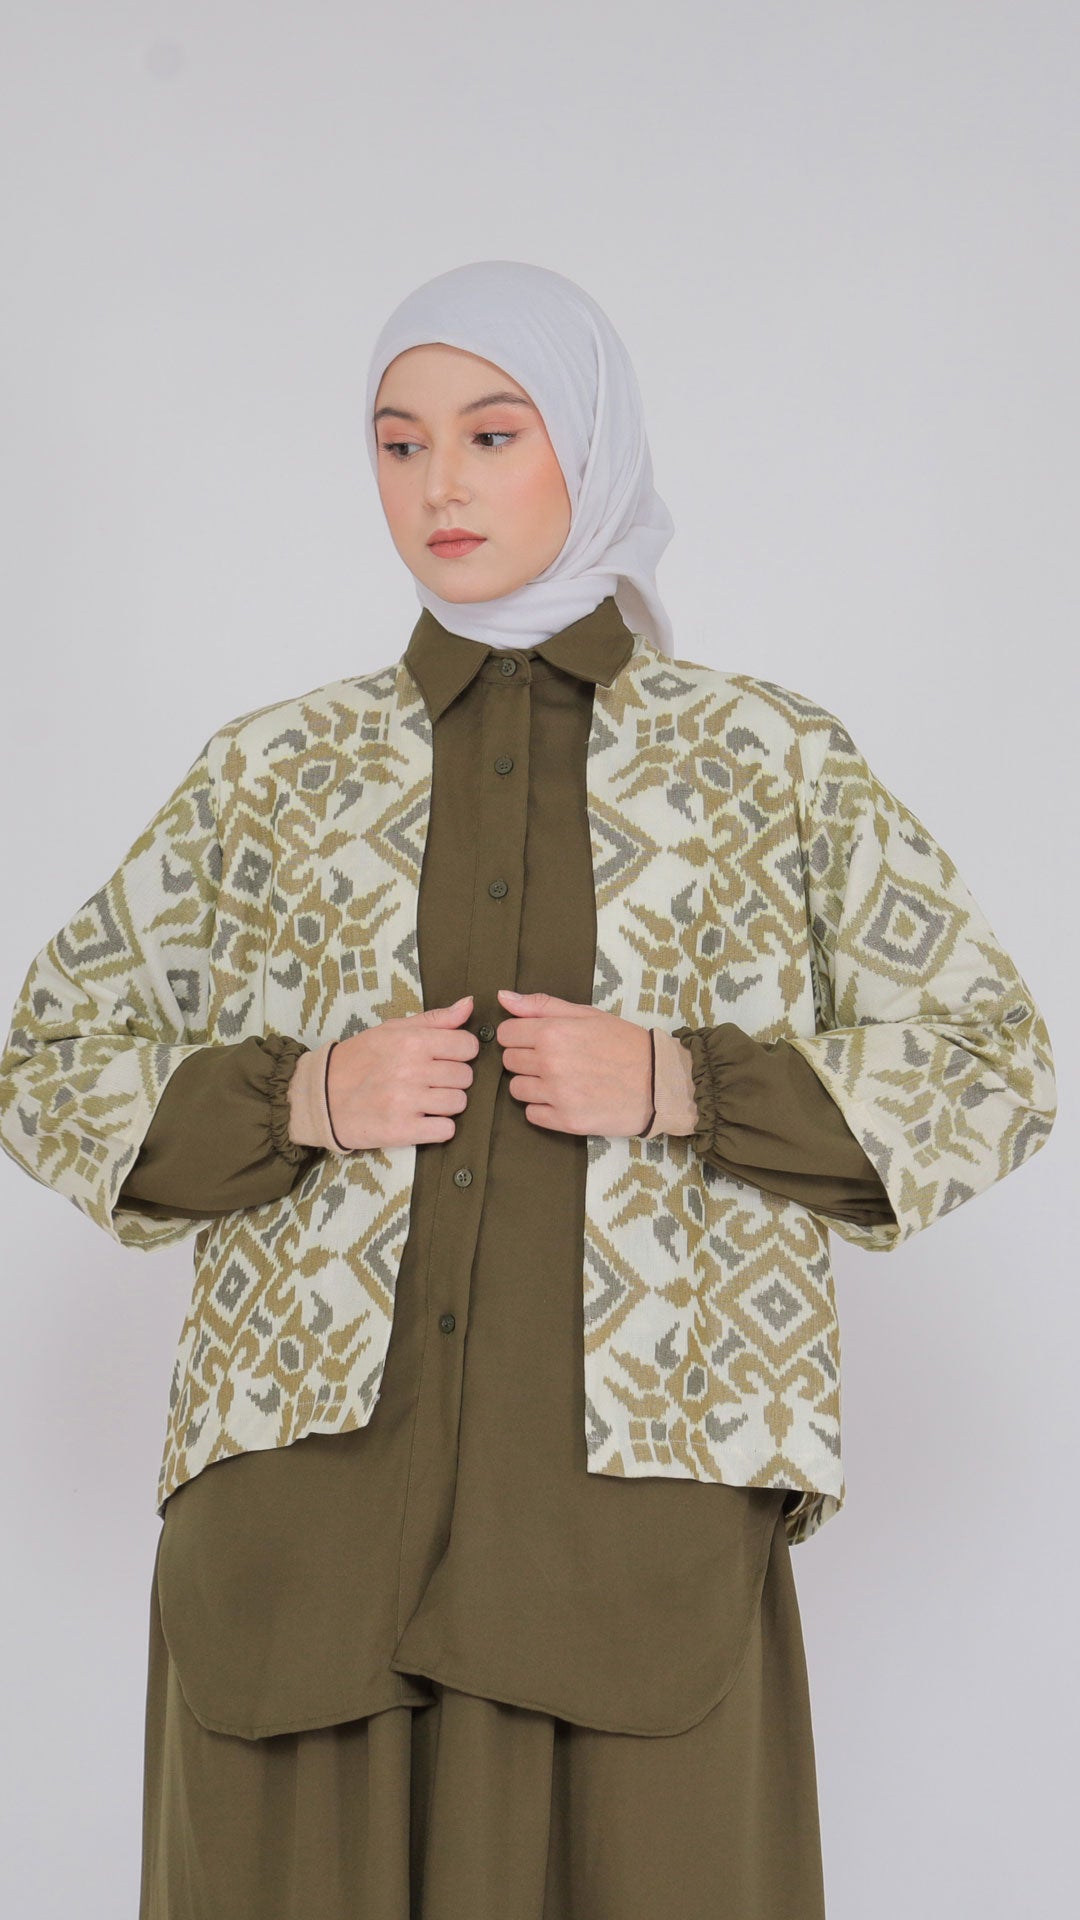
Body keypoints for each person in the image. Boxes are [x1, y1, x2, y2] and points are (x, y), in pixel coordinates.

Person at [0, 260, 1056, 1920]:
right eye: (399, 442)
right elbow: (49, 1058)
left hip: (628, 1541)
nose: (440, 485)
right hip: (304, 1551)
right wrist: (302, 1099)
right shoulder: (270, 773)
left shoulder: (766, 763)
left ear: (591, 441)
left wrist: (684, 1080)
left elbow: (991, 1059)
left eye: (493, 434)